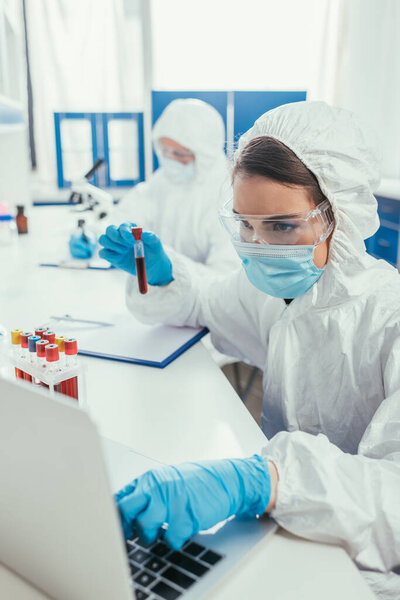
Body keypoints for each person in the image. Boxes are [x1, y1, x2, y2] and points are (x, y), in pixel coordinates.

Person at [100, 101, 400, 599]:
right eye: (245, 226)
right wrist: (164, 272)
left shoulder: (387, 320)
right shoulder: (274, 292)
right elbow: (206, 304)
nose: (257, 246)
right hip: (289, 532)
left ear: (338, 217)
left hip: (363, 565)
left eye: (281, 227)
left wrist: (265, 480)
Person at [78, 98, 237, 279]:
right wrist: (93, 235)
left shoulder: (228, 196)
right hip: (157, 296)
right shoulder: (162, 181)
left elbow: (227, 277)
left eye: (178, 153)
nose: (169, 159)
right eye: (164, 150)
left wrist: (170, 269)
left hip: (206, 302)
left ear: (204, 153)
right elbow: (121, 218)